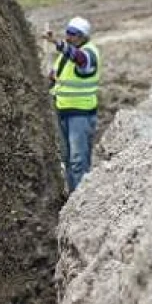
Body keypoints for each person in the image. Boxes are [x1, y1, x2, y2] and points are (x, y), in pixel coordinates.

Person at [44, 16, 100, 193]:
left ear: (83, 36)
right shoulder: (65, 56)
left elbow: (79, 59)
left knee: (78, 160)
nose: (68, 37)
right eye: (67, 33)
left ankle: (81, 199)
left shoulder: (88, 54)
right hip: (62, 112)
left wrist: (57, 43)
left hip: (80, 115)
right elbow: (55, 77)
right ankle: (73, 197)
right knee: (67, 158)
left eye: (73, 34)